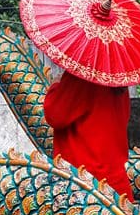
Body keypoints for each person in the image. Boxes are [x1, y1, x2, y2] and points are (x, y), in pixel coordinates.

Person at [43, 70, 133, 199]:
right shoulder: (118, 77)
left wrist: (55, 85)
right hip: (116, 183)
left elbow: (55, 116)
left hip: (85, 182)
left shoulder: (82, 74)